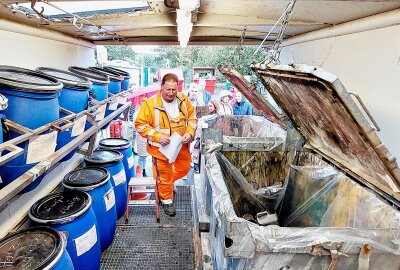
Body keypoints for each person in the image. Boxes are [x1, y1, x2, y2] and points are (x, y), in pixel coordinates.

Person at [135, 73, 197, 217]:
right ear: (161, 86)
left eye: (173, 90)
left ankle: (165, 184)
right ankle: (167, 200)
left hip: (181, 145)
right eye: (167, 89)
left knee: (184, 169)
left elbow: (192, 118)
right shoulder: (150, 104)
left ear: (178, 88)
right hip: (160, 149)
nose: (170, 93)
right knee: (164, 175)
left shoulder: (183, 99)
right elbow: (140, 125)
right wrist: (157, 136)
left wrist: (189, 131)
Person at [132, 96, 149, 176]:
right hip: (141, 137)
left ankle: (144, 171)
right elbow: (135, 126)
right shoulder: (137, 113)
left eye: (146, 101)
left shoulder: (148, 112)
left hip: (148, 137)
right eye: (142, 101)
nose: (144, 102)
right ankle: (139, 172)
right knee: (142, 156)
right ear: (139, 102)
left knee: (145, 156)